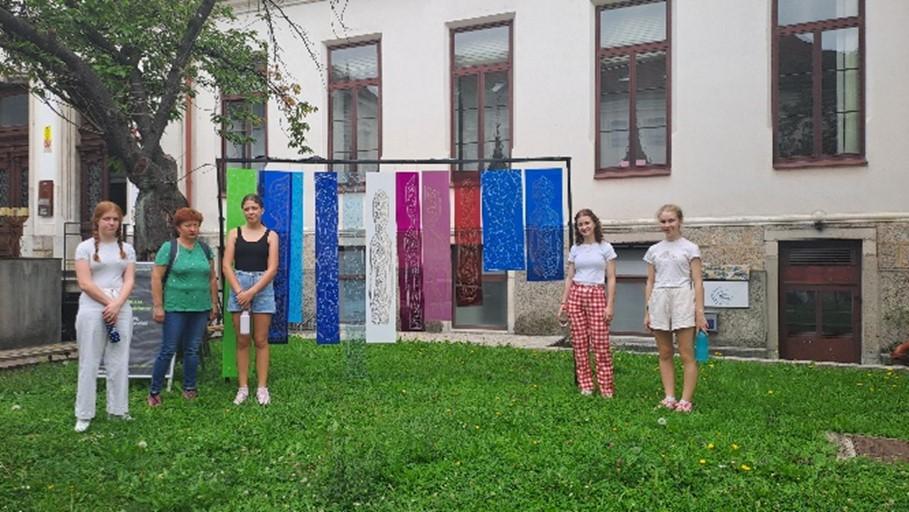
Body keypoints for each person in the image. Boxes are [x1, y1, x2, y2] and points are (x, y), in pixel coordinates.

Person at [73, 201, 136, 432]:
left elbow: (129, 280)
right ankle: (84, 413)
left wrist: (118, 304)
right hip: (92, 308)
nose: (111, 223)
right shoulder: (85, 248)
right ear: (97, 221)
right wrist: (109, 303)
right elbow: (85, 283)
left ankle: (118, 410)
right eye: (107, 219)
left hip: (121, 308)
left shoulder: (127, 249)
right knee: (89, 361)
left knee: (119, 360)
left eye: (115, 219)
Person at [147, 207, 218, 406]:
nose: (193, 229)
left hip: (200, 307)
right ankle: (154, 391)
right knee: (169, 348)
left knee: (192, 349)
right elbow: (156, 277)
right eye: (188, 225)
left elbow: (212, 278)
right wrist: (158, 306)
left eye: (196, 225)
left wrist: (213, 303)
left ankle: (190, 388)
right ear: (178, 228)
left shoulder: (205, 249)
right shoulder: (169, 248)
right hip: (175, 307)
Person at [643, 204, 708, 413]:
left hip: (682, 299)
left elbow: (697, 281)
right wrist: (648, 310)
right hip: (659, 299)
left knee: (686, 353)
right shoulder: (654, 250)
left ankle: (685, 400)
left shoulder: (690, 248)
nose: (667, 225)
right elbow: (650, 282)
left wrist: (699, 312)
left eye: (671, 220)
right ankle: (669, 396)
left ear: (679, 221)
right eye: (663, 221)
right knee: (664, 352)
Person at [222, 193, 279, 406]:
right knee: (242, 340)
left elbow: (272, 268)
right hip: (239, 286)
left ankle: (262, 388)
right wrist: (240, 291)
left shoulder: (271, 235)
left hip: (262, 288)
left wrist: (252, 292)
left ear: (261, 210)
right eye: (247, 208)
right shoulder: (234, 234)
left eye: (254, 208)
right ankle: (243, 387)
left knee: (261, 340)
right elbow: (226, 265)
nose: (250, 212)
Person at [557, 209, 617, 398]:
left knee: (600, 343)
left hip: (596, 293)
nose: (584, 227)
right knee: (580, 342)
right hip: (576, 293)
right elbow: (570, 276)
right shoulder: (576, 249)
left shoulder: (605, 248)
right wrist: (564, 302)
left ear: (594, 223)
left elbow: (611, 278)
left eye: (587, 223)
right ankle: (586, 385)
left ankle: (606, 387)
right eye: (580, 225)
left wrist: (610, 305)